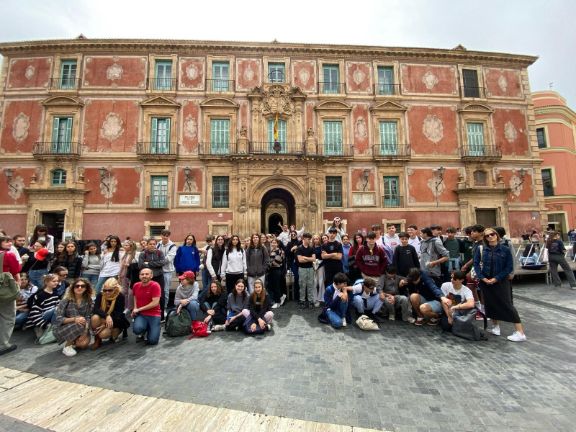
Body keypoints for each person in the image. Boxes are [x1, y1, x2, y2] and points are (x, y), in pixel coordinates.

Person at [474, 228, 527, 342]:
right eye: (487, 236)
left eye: (492, 234)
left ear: (497, 235)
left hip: (501, 281)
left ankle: (520, 332)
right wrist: (482, 277)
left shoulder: (505, 249)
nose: (490, 237)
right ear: (485, 238)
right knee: (490, 304)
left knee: (507, 304)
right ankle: (495, 327)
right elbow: (476, 264)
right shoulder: (481, 249)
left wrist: (496, 278)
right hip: (485, 281)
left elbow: (508, 267)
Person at [54, 278, 94, 357]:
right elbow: (58, 319)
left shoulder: (89, 301)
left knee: (83, 345)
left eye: (82, 286)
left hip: (83, 326)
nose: (80, 288)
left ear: (86, 288)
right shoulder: (65, 301)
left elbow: (88, 317)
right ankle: (67, 346)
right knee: (80, 322)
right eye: (77, 286)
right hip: (65, 326)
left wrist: (85, 332)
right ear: (73, 288)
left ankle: (74, 340)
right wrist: (75, 319)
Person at [90, 277, 130, 349]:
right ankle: (97, 340)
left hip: (116, 320)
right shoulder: (100, 295)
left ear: (115, 289)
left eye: (110, 290)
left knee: (103, 335)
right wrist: (107, 316)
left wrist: (105, 324)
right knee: (95, 317)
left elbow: (118, 314)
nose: (107, 292)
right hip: (104, 317)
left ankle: (117, 330)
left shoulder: (120, 296)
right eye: (105, 290)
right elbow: (95, 309)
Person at [131, 268, 162, 345]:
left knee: (152, 341)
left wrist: (139, 309)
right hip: (142, 314)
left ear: (151, 276)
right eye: (142, 274)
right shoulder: (136, 285)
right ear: (139, 276)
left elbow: (155, 303)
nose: (144, 276)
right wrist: (135, 308)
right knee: (137, 329)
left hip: (154, 314)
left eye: (147, 274)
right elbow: (135, 297)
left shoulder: (155, 285)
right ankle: (143, 330)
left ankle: (153, 327)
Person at [138, 238, 167, 319]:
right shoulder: (143, 254)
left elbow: (163, 262)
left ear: (156, 245)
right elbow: (140, 265)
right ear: (147, 245)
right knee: (147, 296)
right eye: (150, 244)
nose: (152, 245)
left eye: (154, 244)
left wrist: (149, 263)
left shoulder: (159, 252)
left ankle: (161, 316)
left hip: (159, 277)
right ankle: (145, 314)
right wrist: (156, 264)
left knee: (161, 295)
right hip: (147, 279)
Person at [0, 243, 21, 356]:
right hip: (4, 290)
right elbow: (16, 269)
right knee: (7, 316)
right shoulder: (8, 255)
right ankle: (3, 344)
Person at [25, 273, 60, 338]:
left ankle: (53, 328)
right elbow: (34, 313)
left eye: (57, 281)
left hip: (52, 315)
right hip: (41, 317)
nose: (56, 283)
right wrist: (44, 324)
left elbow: (58, 304)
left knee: (59, 308)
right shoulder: (41, 295)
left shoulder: (55, 292)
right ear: (46, 282)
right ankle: (40, 327)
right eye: (54, 281)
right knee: (56, 309)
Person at [157, 229, 178, 310]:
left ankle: (164, 308)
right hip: (157, 271)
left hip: (167, 271)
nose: (165, 237)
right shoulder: (158, 244)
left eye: (167, 235)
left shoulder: (173, 246)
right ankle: (157, 307)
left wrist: (156, 262)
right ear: (161, 235)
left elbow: (168, 259)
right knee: (157, 290)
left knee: (165, 291)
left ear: (169, 236)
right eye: (163, 235)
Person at [295, 232, 316, 308]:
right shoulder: (299, 248)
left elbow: (314, 259)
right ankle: (302, 301)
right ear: (304, 238)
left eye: (310, 239)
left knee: (310, 284)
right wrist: (309, 259)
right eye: (308, 239)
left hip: (310, 269)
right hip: (302, 269)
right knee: (302, 285)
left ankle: (310, 301)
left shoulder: (311, 248)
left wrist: (305, 257)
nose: (310, 240)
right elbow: (300, 260)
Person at [267, 238, 285, 308]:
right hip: (271, 270)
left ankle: (278, 302)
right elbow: (268, 260)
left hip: (277, 270)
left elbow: (277, 261)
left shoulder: (280, 251)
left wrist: (268, 265)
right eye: (272, 243)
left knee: (276, 286)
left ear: (277, 244)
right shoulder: (271, 251)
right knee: (271, 286)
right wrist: (268, 264)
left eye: (275, 243)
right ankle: (278, 298)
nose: (273, 244)